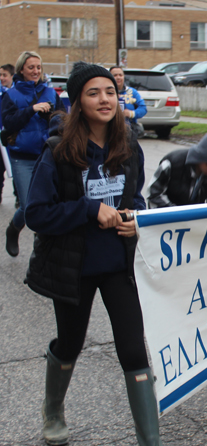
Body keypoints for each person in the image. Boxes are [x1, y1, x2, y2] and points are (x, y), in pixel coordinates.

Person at [24, 62, 162, 446]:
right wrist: (87, 209)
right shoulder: (58, 151)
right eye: (93, 93)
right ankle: (53, 410)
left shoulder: (129, 145)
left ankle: (150, 440)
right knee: (70, 343)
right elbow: (36, 213)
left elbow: (135, 199)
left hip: (119, 264)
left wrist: (136, 218)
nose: (104, 99)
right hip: (74, 267)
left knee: (134, 350)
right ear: (77, 101)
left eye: (109, 92)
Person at [2, 51, 64, 257]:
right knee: (29, 204)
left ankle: (43, 242)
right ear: (21, 69)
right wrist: (32, 109)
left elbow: (63, 120)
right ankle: (14, 228)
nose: (36, 71)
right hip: (22, 157)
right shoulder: (10, 95)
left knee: (49, 201)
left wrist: (50, 117)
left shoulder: (50, 92)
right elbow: (8, 122)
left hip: (48, 154)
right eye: (31, 67)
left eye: (38, 67)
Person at [147, 130, 207, 208]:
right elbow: (153, 193)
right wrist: (176, 213)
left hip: (190, 217)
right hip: (165, 214)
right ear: (200, 158)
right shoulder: (172, 163)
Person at [109, 66, 147, 138]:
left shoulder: (132, 92)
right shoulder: (105, 93)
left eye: (120, 75)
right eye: (115, 75)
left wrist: (130, 113)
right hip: (110, 130)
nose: (118, 77)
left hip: (129, 131)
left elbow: (143, 109)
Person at [0, 63, 15, 203]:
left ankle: (19, 196)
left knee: (15, 168)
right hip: (1, 137)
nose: (2, 78)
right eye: (0, 75)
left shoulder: (13, 94)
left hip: (12, 137)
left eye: (4, 75)